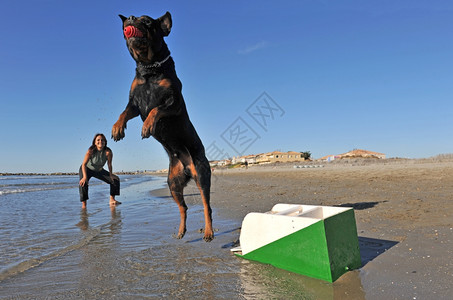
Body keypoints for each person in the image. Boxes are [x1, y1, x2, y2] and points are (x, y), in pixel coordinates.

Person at [79, 133, 121, 209]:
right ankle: (84, 205)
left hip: (99, 170)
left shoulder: (108, 152)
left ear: (105, 142)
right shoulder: (90, 151)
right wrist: (85, 177)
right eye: (98, 140)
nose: (100, 141)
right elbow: (84, 164)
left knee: (115, 180)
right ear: (95, 142)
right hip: (87, 169)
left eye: (102, 140)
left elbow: (109, 164)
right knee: (83, 183)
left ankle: (112, 200)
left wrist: (111, 175)